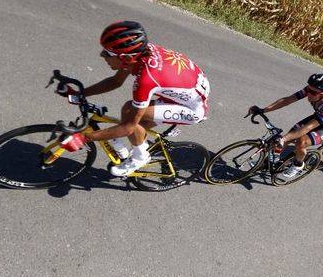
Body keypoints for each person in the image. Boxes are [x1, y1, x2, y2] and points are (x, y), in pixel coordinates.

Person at [55, 20, 210, 176]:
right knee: (132, 124)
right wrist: (79, 94)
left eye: (108, 53)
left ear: (127, 59)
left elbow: (128, 126)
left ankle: (140, 157)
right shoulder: (137, 53)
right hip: (188, 89)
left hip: (193, 108)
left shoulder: (146, 79)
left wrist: (84, 137)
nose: (102, 55)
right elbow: (115, 82)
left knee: (129, 113)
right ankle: (132, 144)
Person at [247, 74, 323, 179]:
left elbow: (307, 127)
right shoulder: (312, 90)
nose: (309, 94)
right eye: (308, 90)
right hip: (318, 117)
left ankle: (298, 165)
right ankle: (266, 164)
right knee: (285, 139)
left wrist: (284, 138)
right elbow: (287, 100)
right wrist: (263, 110)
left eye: (312, 92)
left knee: (301, 142)